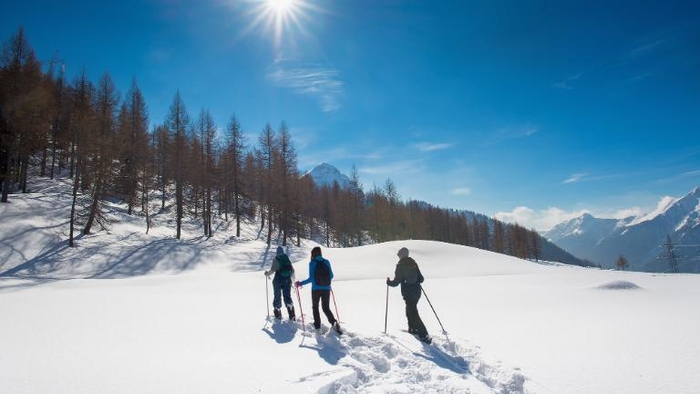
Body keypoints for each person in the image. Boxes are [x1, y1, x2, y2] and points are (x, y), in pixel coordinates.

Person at [386, 247, 431, 344]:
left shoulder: (400, 265)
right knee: (409, 310)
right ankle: (412, 329)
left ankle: (424, 335)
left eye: (399, 255)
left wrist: (389, 282)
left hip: (408, 293)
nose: (398, 256)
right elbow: (421, 279)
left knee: (413, 313)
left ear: (401, 255)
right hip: (417, 292)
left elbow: (396, 282)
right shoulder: (413, 263)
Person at [295, 246, 342, 334]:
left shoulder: (312, 263)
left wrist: (300, 283)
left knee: (315, 307)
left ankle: (317, 326)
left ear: (313, 254)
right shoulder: (326, 262)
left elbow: (311, 278)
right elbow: (331, 276)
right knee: (326, 308)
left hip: (316, 289)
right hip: (326, 288)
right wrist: (325, 282)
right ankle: (333, 322)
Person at [265, 246, 296, 320]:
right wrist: (293, 279)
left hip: (278, 280)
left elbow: (273, 270)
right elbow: (292, 270)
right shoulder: (286, 258)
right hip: (287, 280)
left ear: (277, 252)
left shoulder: (276, 259)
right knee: (287, 296)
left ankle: (278, 314)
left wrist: (267, 274)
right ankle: (292, 315)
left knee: (277, 296)